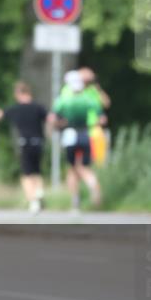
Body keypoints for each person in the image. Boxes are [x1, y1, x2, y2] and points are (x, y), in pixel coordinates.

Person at [49, 70, 104, 212]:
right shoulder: (90, 99)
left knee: (72, 168)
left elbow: (53, 119)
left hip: (69, 134)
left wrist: (58, 126)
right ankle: (93, 185)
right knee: (85, 166)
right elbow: (102, 119)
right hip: (86, 133)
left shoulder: (63, 99)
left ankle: (75, 200)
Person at [0, 81, 47, 214]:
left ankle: (33, 201)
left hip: (25, 143)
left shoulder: (15, 109)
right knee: (37, 170)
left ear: (18, 94)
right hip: (38, 142)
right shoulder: (38, 107)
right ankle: (39, 192)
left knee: (26, 174)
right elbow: (51, 118)